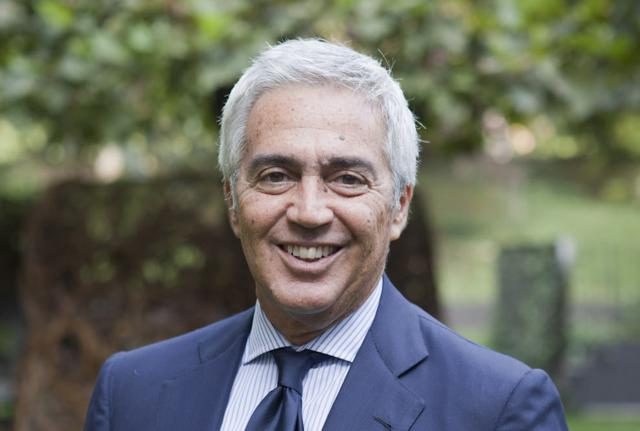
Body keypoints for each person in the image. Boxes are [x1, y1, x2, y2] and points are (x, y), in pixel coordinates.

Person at [83, 38, 568, 430]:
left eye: (347, 179)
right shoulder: (132, 393)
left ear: (399, 207)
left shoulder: (498, 409)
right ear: (232, 201)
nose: (310, 212)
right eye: (276, 176)